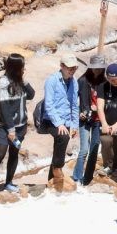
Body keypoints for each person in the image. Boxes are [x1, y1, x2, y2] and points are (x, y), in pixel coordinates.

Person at [0, 54, 35, 195]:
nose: (24, 69)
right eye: (22, 67)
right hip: (5, 128)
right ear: (15, 68)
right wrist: (11, 130)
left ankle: (8, 183)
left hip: (21, 127)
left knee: (14, 153)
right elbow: (4, 109)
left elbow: (31, 95)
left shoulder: (20, 80)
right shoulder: (4, 83)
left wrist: (24, 80)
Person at [42, 53, 80, 191]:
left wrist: (74, 124)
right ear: (62, 66)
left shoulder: (74, 82)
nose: (72, 70)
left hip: (66, 120)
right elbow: (49, 105)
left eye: (74, 68)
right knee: (62, 136)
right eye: (69, 68)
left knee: (63, 139)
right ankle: (58, 168)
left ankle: (52, 181)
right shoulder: (52, 81)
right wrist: (59, 124)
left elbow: (74, 105)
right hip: (51, 120)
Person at [74, 54, 107, 186]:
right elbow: (72, 101)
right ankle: (77, 177)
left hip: (99, 119)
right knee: (84, 150)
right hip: (85, 119)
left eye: (100, 68)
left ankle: (87, 178)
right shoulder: (82, 81)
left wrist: (99, 107)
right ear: (90, 68)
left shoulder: (105, 82)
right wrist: (79, 113)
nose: (98, 70)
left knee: (94, 149)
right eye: (95, 68)